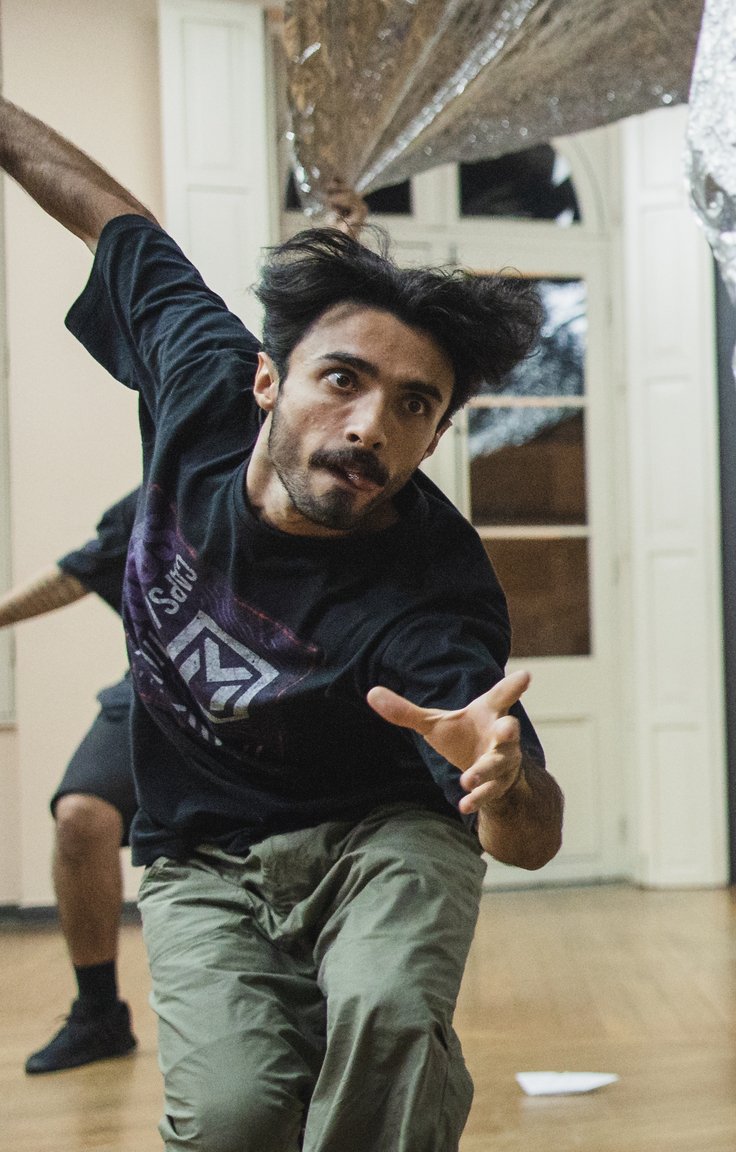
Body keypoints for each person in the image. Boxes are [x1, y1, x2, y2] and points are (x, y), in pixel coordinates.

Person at [0, 98, 565, 1149]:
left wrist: (506, 784)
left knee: (386, 1018)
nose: (368, 428)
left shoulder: (430, 589)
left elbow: (530, 840)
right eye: (342, 381)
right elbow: (105, 212)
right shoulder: (200, 382)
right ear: (266, 380)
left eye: (413, 406)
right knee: (233, 1119)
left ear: (434, 435)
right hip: (202, 850)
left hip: (380, 831)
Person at [3, 489, 141, 1073]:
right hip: (161, 685)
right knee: (81, 816)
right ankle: (98, 1014)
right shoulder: (166, 486)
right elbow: (77, 573)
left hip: (288, 686)